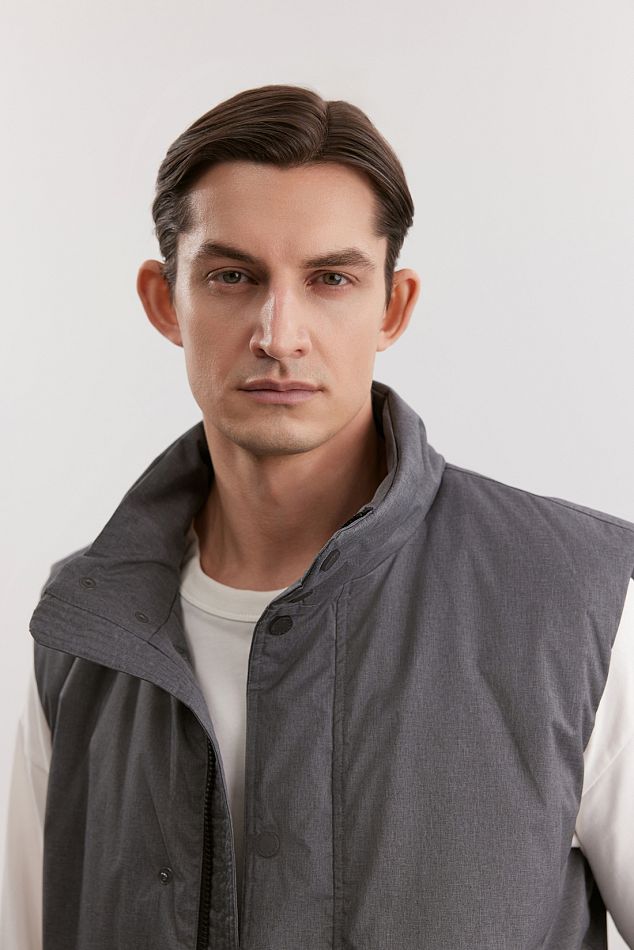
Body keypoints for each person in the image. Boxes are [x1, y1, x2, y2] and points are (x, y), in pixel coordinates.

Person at [1, 83, 633, 950]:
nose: (279, 333)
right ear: (164, 300)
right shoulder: (85, 628)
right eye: (233, 276)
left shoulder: (583, 601)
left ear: (393, 307)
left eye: (331, 279)